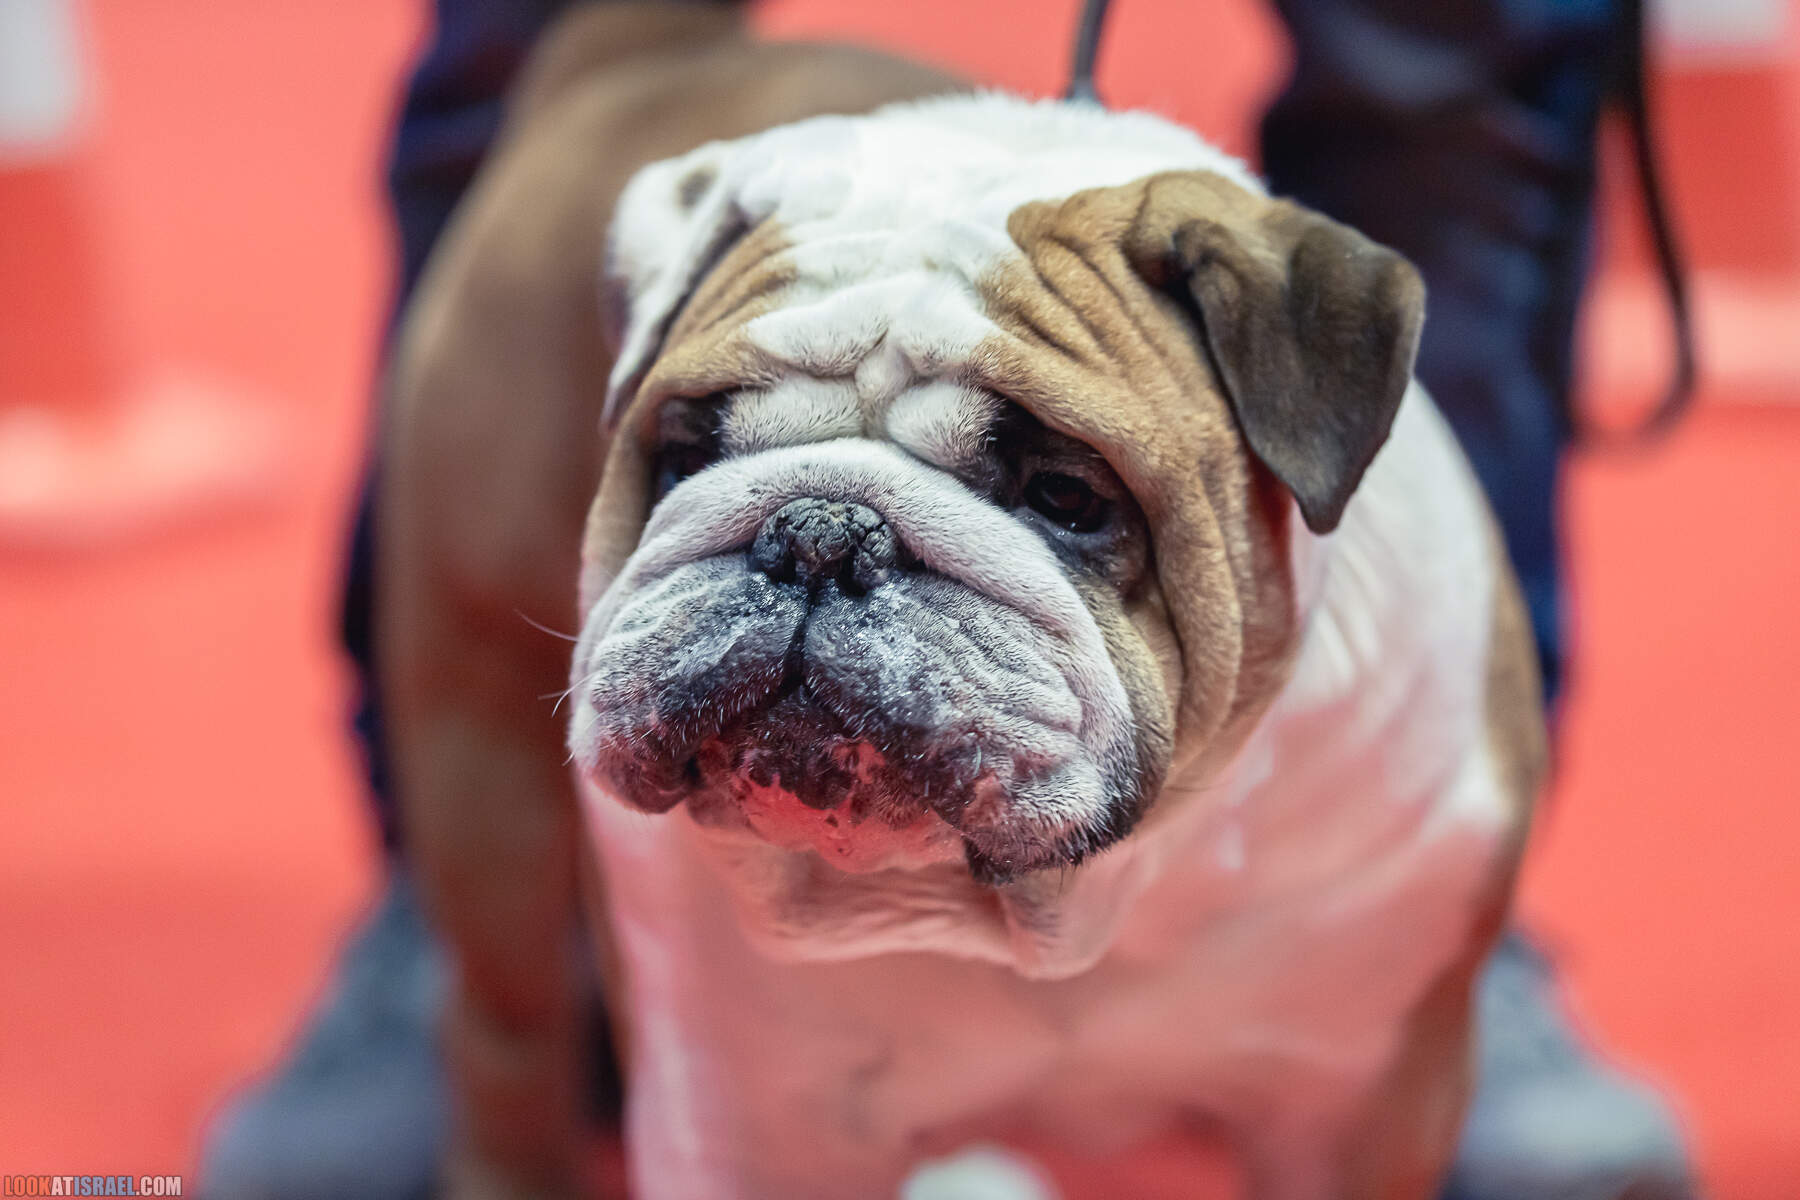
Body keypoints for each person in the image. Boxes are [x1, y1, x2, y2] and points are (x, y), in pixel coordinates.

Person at [202, 2, 1697, 1196]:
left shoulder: (1372, 574)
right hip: (604, 253)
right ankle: (484, 983)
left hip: (1343, 803)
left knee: (1447, 48)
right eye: (703, 448)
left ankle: (1435, 963)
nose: (822, 575)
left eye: (1059, 498)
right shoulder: (663, 239)